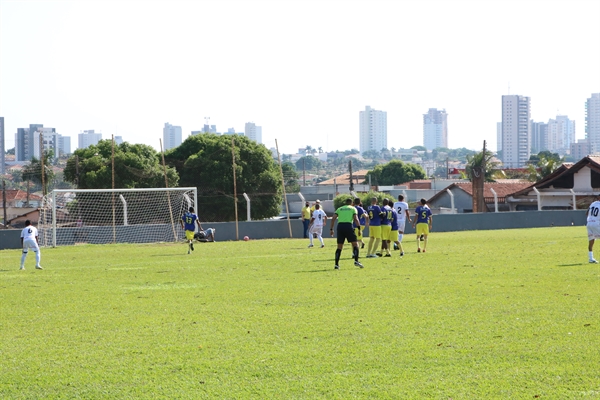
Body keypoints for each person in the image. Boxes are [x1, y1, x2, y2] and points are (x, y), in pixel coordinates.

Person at [329, 198, 363, 269]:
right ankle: (356, 261)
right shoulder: (353, 209)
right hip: (348, 226)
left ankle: (336, 264)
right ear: (352, 203)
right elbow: (356, 219)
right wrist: (359, 229)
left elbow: (333, 218)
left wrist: (331, 229)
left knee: (339, 246)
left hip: (340, 226)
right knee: (355, 244)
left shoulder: (340, 208)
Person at [586, 194, 600, 263]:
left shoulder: (593, 203)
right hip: (597, 223)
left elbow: (587, 213)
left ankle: (591, 258)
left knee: (591, 241)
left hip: (589, 223)